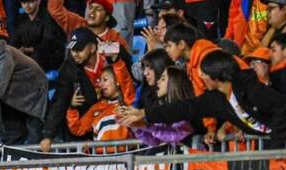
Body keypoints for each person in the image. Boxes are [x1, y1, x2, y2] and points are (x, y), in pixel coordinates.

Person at [118, 50, 286, 148]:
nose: (201, 77)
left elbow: (281, 106)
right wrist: (145, 113)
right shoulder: (216, 100)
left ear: (216, 75)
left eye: (204, 74)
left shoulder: (249, 87)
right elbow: (184, 108)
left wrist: (276, 147)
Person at [39, 27, 135, 151]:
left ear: (92, 48)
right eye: (72, 49)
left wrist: (113, 54)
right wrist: (48, 135)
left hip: (119, 111)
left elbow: (127, 66)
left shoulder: (108, 49)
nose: (74, 53)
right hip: (90, 118)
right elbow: (60, 101)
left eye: (79, 49)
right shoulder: (69, 67)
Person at [65, 64, 133, 148]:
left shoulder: (128, 102)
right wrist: (72, 107)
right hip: (102, 159)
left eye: (105, 80)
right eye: (100, 80)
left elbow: (126, 81)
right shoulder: (96, 108)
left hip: (126, 157)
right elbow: (77, 128)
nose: (101, 84)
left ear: (117, 81)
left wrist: (115, 60)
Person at [129, 66, 195, 146]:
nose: (158, 82)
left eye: (163, 79)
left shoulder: (184, 108)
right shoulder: (160, 108)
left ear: (173, 84)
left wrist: (147, 126)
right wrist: (136, 127)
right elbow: (154, 141)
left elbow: (175, 136)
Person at [10, 0, 66, 71]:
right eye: (24, 2)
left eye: (30, 2)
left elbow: (48, 44)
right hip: (28, 56)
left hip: (48, 57)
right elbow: (14, 40)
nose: (27, 5)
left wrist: (26, 50)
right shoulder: (21, 18)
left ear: (38, 1)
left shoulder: (48, 18)